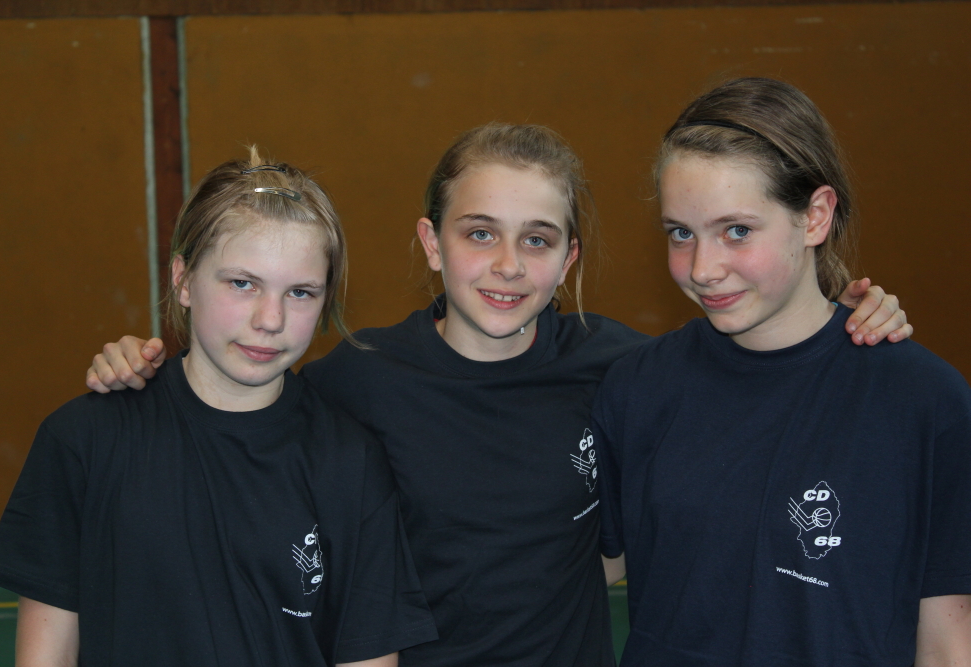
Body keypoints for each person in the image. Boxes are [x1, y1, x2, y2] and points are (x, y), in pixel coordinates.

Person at [81, 125, 911, 666]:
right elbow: (232, 414)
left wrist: (851, 313)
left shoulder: (623, 369)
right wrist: (137, 370)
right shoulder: (353, 380)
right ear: (431, 244)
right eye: (479, 233)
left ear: (569, 259)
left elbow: (758, 371)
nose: (508, 265)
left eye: (537, 240)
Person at [0, 150, 437, 667]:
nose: (271, 318)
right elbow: (46, 656)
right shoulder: (83, 439)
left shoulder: (349, 462)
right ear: (183, 279)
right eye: (243, 283)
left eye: (301, 292)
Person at [593, 78, 971, 666]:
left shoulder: (923, 401)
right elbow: (581, 574)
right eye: (680, 233)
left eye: (736, 230)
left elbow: (948, 638)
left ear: (815, 216)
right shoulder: (637, 387)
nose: (703, 268)